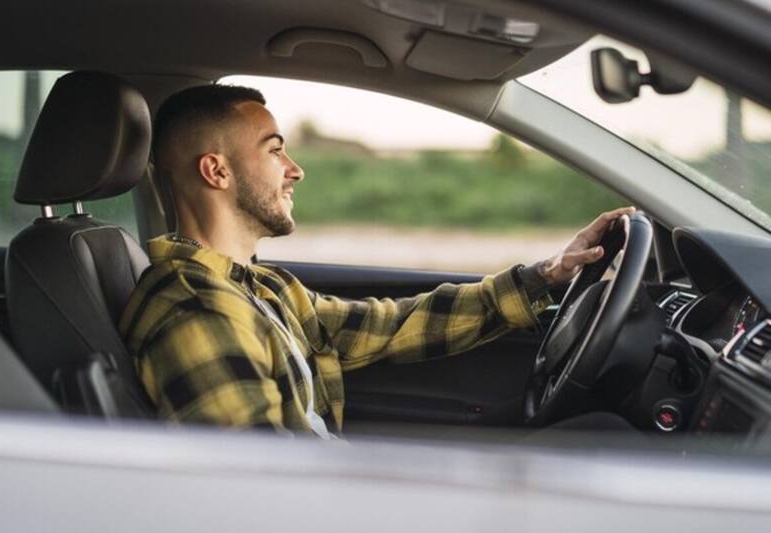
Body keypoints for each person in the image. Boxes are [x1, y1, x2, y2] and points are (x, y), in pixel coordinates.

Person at [119, 85, 634, 438]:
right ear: (216, 170)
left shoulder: (260, 287)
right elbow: (258, 487)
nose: (295, 170)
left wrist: (546, 274)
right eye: (275, 151)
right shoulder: (196, 309)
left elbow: (390, 325)